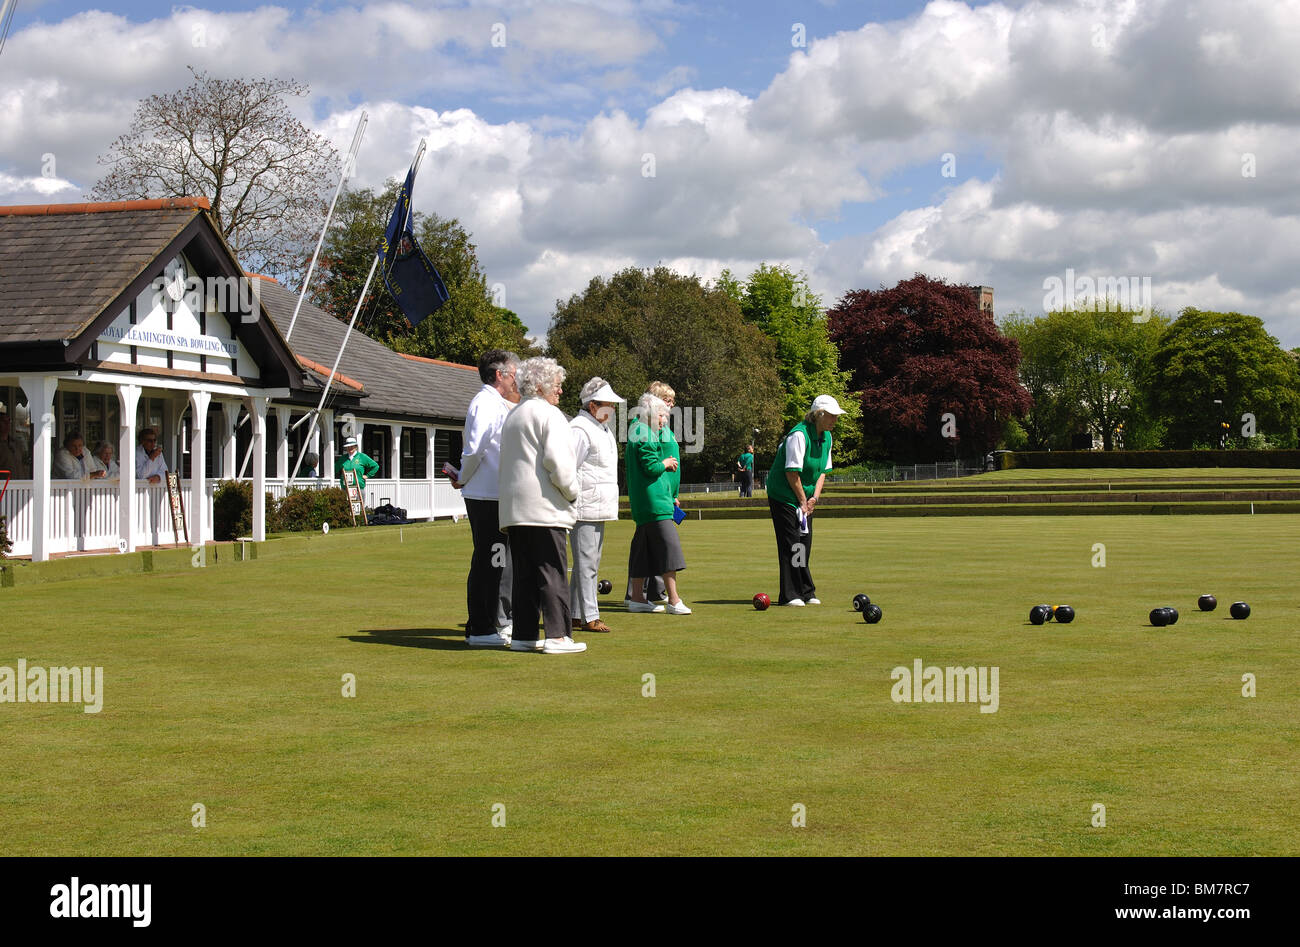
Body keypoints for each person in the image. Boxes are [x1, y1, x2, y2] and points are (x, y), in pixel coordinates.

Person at [498, 357, 586, 654]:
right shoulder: (550, 415)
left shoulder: (513, 415)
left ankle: (524, 635)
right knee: (552, 571)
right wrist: (573, 493)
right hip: (545, 508)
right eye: (557, 386)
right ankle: (558, 636)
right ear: (540, 385)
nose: (560, 392)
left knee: (525, 574)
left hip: (516, 510)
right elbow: (559, 466)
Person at [454, 349, 520, 648]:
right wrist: (463, 477)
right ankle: (480, 627)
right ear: (499, 375)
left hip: (495, 494)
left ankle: (489, 623)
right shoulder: (484, 403)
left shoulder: (496, 403)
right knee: (488, 560)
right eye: (513, 375)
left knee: (497, 559)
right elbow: (475, 449)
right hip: (484, 495)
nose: (516, 380)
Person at [765, 395, 845, 606]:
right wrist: (802, 500)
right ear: (819, 415)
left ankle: (806, 591)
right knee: (791, 544)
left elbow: (822, 472)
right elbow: (792, 472)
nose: (835, 420)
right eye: (832, 416)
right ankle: (790, 594)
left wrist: (814, 499)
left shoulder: (827, 437)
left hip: (806, 497)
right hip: (783, 494)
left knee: (804, 544)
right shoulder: (798, 435)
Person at [625, 392, 690, 615]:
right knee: (669, 548)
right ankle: (673, 599)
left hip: (646, 502)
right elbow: (651, 467)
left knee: (642, 550)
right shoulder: (645, 432)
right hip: (654, 502)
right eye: (662, 415)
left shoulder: (639, 431)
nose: (664, 420)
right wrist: (666, 463)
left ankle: (636, 598)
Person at [568, 377, 624, 634]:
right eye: (608, 405)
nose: (612, 410)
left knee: (587, 563)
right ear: (592, 406)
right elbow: (568, 467)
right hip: (584, 506)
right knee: (587, 564)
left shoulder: (601, 428)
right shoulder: (579, 428)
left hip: (599, 505)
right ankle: (590, 615)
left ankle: (574, 614)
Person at [0, 406, 30, 479]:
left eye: (9, 421)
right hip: (4, 488)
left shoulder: (16, 444)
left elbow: (24, 464)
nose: (7, 424)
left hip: (20, 486)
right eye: (4, 421)